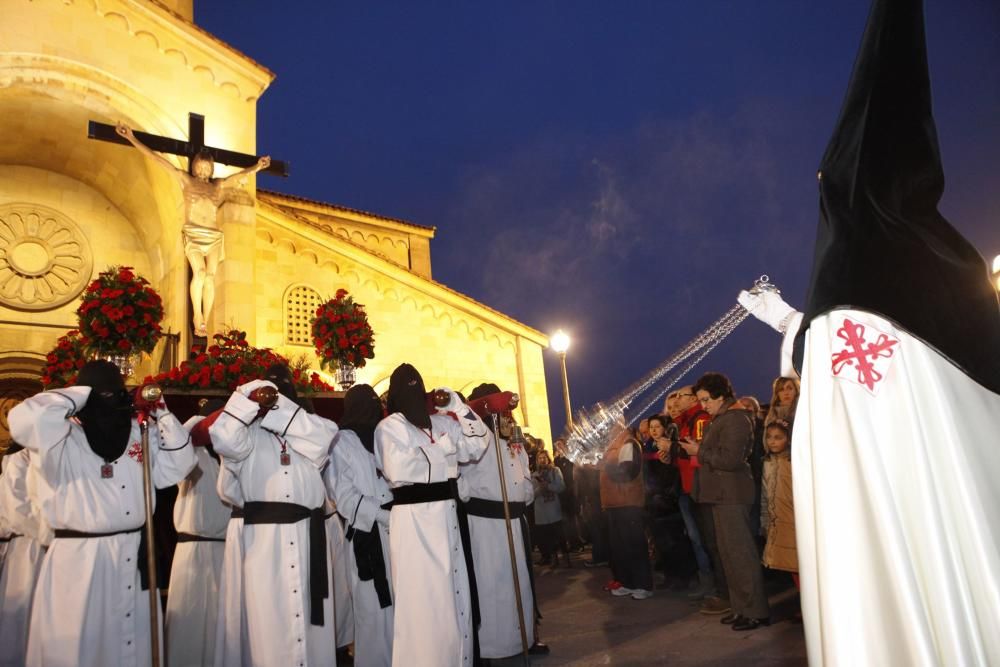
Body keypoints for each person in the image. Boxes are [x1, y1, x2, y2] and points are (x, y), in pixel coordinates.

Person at [8, 360, 197, 667]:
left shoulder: (138, 431)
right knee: (78, 647)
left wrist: (161, 412)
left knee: (130, 647)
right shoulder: (59, 435)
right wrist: (80, 394)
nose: (108, 400)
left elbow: (180, 465)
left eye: (114, 392)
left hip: (132, 553)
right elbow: (24, 420)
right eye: (100, 395)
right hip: (78, 561)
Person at [209, 372, 339, 667]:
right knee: (267, 627)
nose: (272, 399)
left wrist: (279, 406)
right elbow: (223, 438)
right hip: (264, 544)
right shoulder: (246, 436)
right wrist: (248, 395)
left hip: (309, 540)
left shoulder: (308, 431)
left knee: (311, 629)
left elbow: (326, 434)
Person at [374, 364, 490, 667]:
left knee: (454, 596)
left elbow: (478, 445)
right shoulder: (389, 427)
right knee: (424, 603)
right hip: (414, 524)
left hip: (447, 519)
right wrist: (446, 450)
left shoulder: (441, 423)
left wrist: (459, 408)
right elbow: (400, 469)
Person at [115, 122, 271, 336]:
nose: (204, 169)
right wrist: (132, 139)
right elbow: (158, 160)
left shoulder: (218, 185)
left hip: (214, 236)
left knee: (210, 277)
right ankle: (197, 314)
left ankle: (204, 320)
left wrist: (257, 167)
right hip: (194, 234)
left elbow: (237, 178)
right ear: (195, 166)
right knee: (199, 271)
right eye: (201, 166)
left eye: (208, 167)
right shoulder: (185, 180)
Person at [681, 372, 769, 630]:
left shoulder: (736, 419)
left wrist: (700, 451)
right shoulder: (720, 418)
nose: (703, 405)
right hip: (720, 495)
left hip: (732, 494)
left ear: (722, 396)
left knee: (741, 554)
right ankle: (741, 607)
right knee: (729, 555)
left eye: (707, 399)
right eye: (701, 400)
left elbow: (730, 459)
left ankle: (756, 610)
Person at [461, 382, 542, 662]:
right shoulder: (472, 437)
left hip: (515, 522)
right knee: (491, 586)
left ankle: (525, 637)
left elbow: (524, 476)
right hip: (486, 527)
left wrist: (525, 495)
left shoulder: (513, 440)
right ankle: (490, 647)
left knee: (519, 582)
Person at [327, 384, 395, 667]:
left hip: (397, 534)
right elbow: (343, 496)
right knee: (372, 614)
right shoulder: (341, 442)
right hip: (367, 539)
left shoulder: (384, 436)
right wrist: (382, 515)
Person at [166, 399, 230, 667]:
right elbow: (176, 439)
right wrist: (201, 418)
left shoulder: (229, 455)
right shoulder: (189, 455)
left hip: (225, 551)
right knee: (189, 628)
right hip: (193, 553)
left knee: (221, 626)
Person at [0, 443, 51, 667]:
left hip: (50, 544)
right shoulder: (18, 459)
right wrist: (55, 533)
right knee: (23, 621)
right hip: (28, 547)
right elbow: (17, 510)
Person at [666, 387, 717, 604]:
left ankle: (714, 586)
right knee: (697, 539)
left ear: (694, 398)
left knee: (704, 539)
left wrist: (673, 447)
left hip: (699, 488)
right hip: (687, 488)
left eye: (681, 396)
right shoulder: (683, 421)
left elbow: (698, 451)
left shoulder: (700, 419)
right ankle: (707, 583)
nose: (677, 400)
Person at [601, 428, 653, 600]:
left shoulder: (629, 444)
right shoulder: (614, 447)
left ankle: (643, 584)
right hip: (615, 504)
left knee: (634, 545)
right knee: (620, 547)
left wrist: (604, 465)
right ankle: (627, 582)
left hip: (628, 502)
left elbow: (627, 472)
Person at [760, 420, 797, 585]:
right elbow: (765, 494)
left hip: (795, 518)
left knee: (800, 563)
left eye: (778, 437)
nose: (772, 441)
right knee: (788, 563)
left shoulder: (794, 461)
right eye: (769, 437)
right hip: (778, 520)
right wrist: (765, 521)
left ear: (788, 439)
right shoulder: (767, 462)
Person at [532, 449, 566, 568]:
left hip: (553, 509)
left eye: (544, 457)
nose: (542, 460)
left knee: (559, 535)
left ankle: (566, 558)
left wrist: (548, 486)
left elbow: (561, 487)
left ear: (548, 459)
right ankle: (553, 558)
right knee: (547, 538)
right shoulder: (534, 475)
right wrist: (540, 489)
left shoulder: (555, 471)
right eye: (540, 458)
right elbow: (531, 494)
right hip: (541, 511)